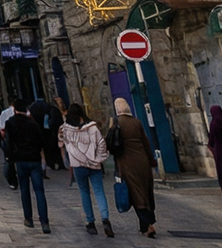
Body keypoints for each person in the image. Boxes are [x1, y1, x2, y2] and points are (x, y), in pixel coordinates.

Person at [61, 102, 114, 236]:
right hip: (94, 165)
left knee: (84, 192)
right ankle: (105, 219)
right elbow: (101, 144)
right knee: (99, 191)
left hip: (78, 165)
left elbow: (62, 142)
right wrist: (98, 158)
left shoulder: (66, 130)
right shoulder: (93, 128)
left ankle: (90, 222)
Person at [111, 97, 158, 237]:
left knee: (135, 194)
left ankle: (148, 225)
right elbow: (146, 143)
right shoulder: (136, 122)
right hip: (142, 161)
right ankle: (145, 226)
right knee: (144, 192)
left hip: (126, 163)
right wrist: (152, 160)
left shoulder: (116, 123)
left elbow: (111, 145)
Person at [7, 96, 51, 233]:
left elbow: (9, 143)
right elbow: (41, 141)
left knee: (24, 190)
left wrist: (12, 157)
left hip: (21, 160)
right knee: (39, 191)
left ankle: (28, 218)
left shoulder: (11, 123)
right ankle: (44, 222)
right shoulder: (32, 123)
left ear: (14, 109)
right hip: (34, 159)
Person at [33, 98, 67, 171]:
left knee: (52, 149)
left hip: (51, 133)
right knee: (56, 148)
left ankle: (53, 163)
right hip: (53, 132)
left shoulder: (49, 111)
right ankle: (59, 163)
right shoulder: (52, 110)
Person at [0, 97, 19, 188]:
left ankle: (12, 181)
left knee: (8, 161)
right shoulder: (24, 113)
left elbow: (2, 130)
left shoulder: (4, 113)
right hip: (20, 140)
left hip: (8, 140)